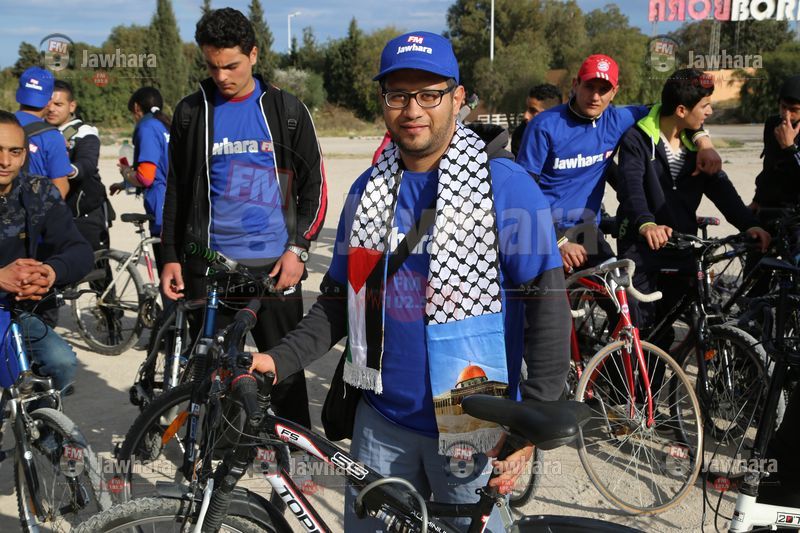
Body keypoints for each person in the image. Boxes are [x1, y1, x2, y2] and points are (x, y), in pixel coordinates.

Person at [249, 31, 571, 532]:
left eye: (429, 94)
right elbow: (339, 302)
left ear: (457, 98)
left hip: (473, 427)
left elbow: (547, 307)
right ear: (383, 102)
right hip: (381, 424)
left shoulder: (507, 189)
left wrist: (531, 421)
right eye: (398, 95)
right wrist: (276, 359)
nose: (412, 109)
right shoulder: (367, 191)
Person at [159, 7, 327, 430]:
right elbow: (177, 190)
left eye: (231, 65)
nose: (221, 76)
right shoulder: (191, 113)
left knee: (284, 379)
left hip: (275, 270)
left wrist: (298, 249)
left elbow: (315, 187)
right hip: (209, 271)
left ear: (253, 54)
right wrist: (171, 256)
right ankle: (216, 459)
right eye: (212, 66)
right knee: (212, 378)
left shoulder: (287, 110)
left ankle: (292, 457)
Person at [516, 54, 722, 273]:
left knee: (616, 286)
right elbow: (521, 191)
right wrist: (558, 241)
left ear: (614, 92)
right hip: (541, 230)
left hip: (586, 230)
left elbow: (678, 111)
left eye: (604, 89)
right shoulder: (544, 125)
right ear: (576, 85)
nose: (595, 96)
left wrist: (704, 142)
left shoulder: (619, 119)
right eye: (589, 86)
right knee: (553, 294)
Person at [615, 68, 770, 346]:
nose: (710, 111)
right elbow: (631, 189)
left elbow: (723, 192)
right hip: (641, 247)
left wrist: (750, 225)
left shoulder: (697, 146)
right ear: (681, 110)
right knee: (643, 332)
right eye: (705, 105)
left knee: (675, 326)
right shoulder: (637, 139)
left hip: (681, 246)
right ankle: (623, 372)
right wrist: (646, 223)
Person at [0, 110, 93, 394]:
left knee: (61, 363)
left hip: (15, 311)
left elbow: (78, 249)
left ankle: (41, 423)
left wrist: (49, 272)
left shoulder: (38, 191)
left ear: (24, 155)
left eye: (14, 152)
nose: (5, 161)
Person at [46, 80, 111, 252]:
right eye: (48, 103)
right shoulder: (40, 131)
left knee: (96, 264)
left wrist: (66, 168)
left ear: (72, 106)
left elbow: (88, 164)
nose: (51, 109)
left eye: (58, 104)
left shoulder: (84, 132)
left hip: (85, 213)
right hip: (53, 214)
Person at [110, 87, 170, 270]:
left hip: (160, 208)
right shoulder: (165, 125)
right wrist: (125, 184)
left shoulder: (147, 127)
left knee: (168, 277)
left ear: (136, 107)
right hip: (175, 204)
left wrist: (126, 172)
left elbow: (145, 177)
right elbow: (162, 168)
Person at [14, 66, 73, 199]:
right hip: (32, 207)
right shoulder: (52, 137)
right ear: (49, 100)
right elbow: (60, 188)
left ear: (19, 93)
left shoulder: (4, 124)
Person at [749, 74, 800, 213]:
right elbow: (769, 165)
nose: (786, 114)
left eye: (794, 110)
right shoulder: (773, 124)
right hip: (770, 206)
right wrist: (757, 200)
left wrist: (789, 147)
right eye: (783, 107)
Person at [510, 83, 562, 158]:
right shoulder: (520, 135)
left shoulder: (574, 135)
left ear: (552, 113)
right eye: (527, 108)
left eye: (533, 111)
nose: (525, 116)